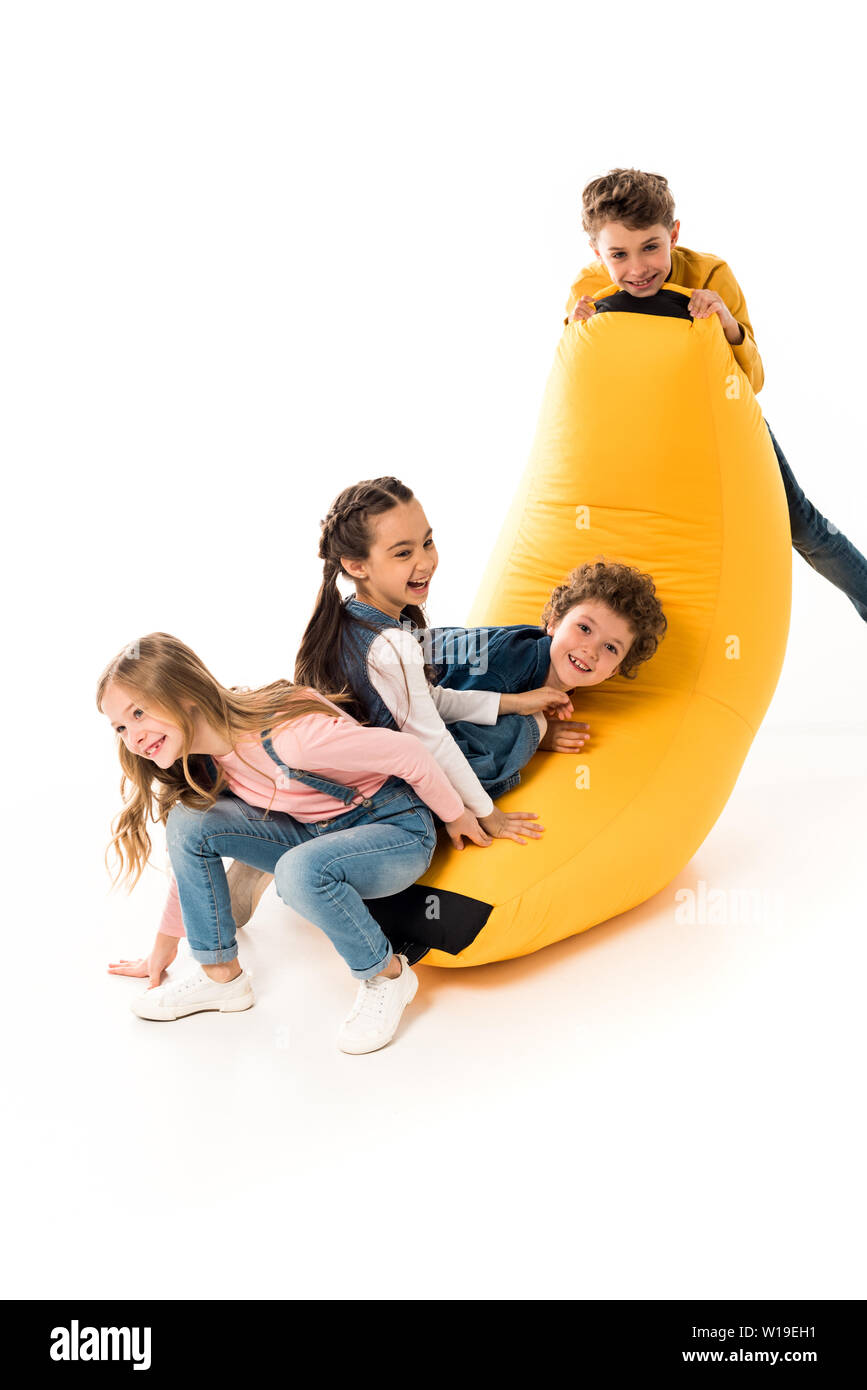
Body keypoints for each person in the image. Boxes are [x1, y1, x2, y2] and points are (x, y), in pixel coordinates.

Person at [98, 632, 486, 1054]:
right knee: (189, 820)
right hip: (314, 833)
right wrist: (163, 946)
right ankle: (220, 977)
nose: (132, 736)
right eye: (120, 726)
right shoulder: (208, 760)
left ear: (185, 693)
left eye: (139, 712)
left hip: (392, 828)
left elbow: (409, 753)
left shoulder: (292, 741)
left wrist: (456, 815)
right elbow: (187, 849)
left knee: (296, 871)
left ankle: (388, 975)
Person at [565, 167, 867, 625]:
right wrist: (575, 334)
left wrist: (726, 324)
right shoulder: (589, 291)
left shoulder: (709, 274)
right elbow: (579, 389)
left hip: (722, 426)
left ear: (674, 233)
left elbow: (754, 378)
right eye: (618, 254)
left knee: (802, 525)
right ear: (596, 251)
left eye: (651, 247)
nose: (638, 268)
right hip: (649, 440)